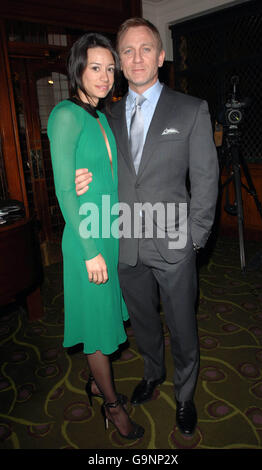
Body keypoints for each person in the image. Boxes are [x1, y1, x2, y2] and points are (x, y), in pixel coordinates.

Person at [75, 18, 219, 436]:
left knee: (182, 324)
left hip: (175, 241)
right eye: (128, 51)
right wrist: (80, 178)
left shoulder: (190, 109)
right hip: (124, 242)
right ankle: (154, 373)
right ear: (119, 61)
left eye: (145, 49)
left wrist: (195, 238)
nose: (136, 58)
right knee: (142, 322)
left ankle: (186, 394)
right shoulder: (105, 116)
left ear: (160, 56)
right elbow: (94, 166)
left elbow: (206, 180)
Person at [47, 32, 144, 440]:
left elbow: (107, 176)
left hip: (108, 232)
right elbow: (65, 188)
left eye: (109, 68)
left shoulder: (102, 116)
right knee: (98, 331)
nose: (104, 77)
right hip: (86, 238)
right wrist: (90, 251)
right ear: (77, 70)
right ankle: (112, 404)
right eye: (95, 68)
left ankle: (94, 383)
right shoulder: (65, 115)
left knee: (103, 318)